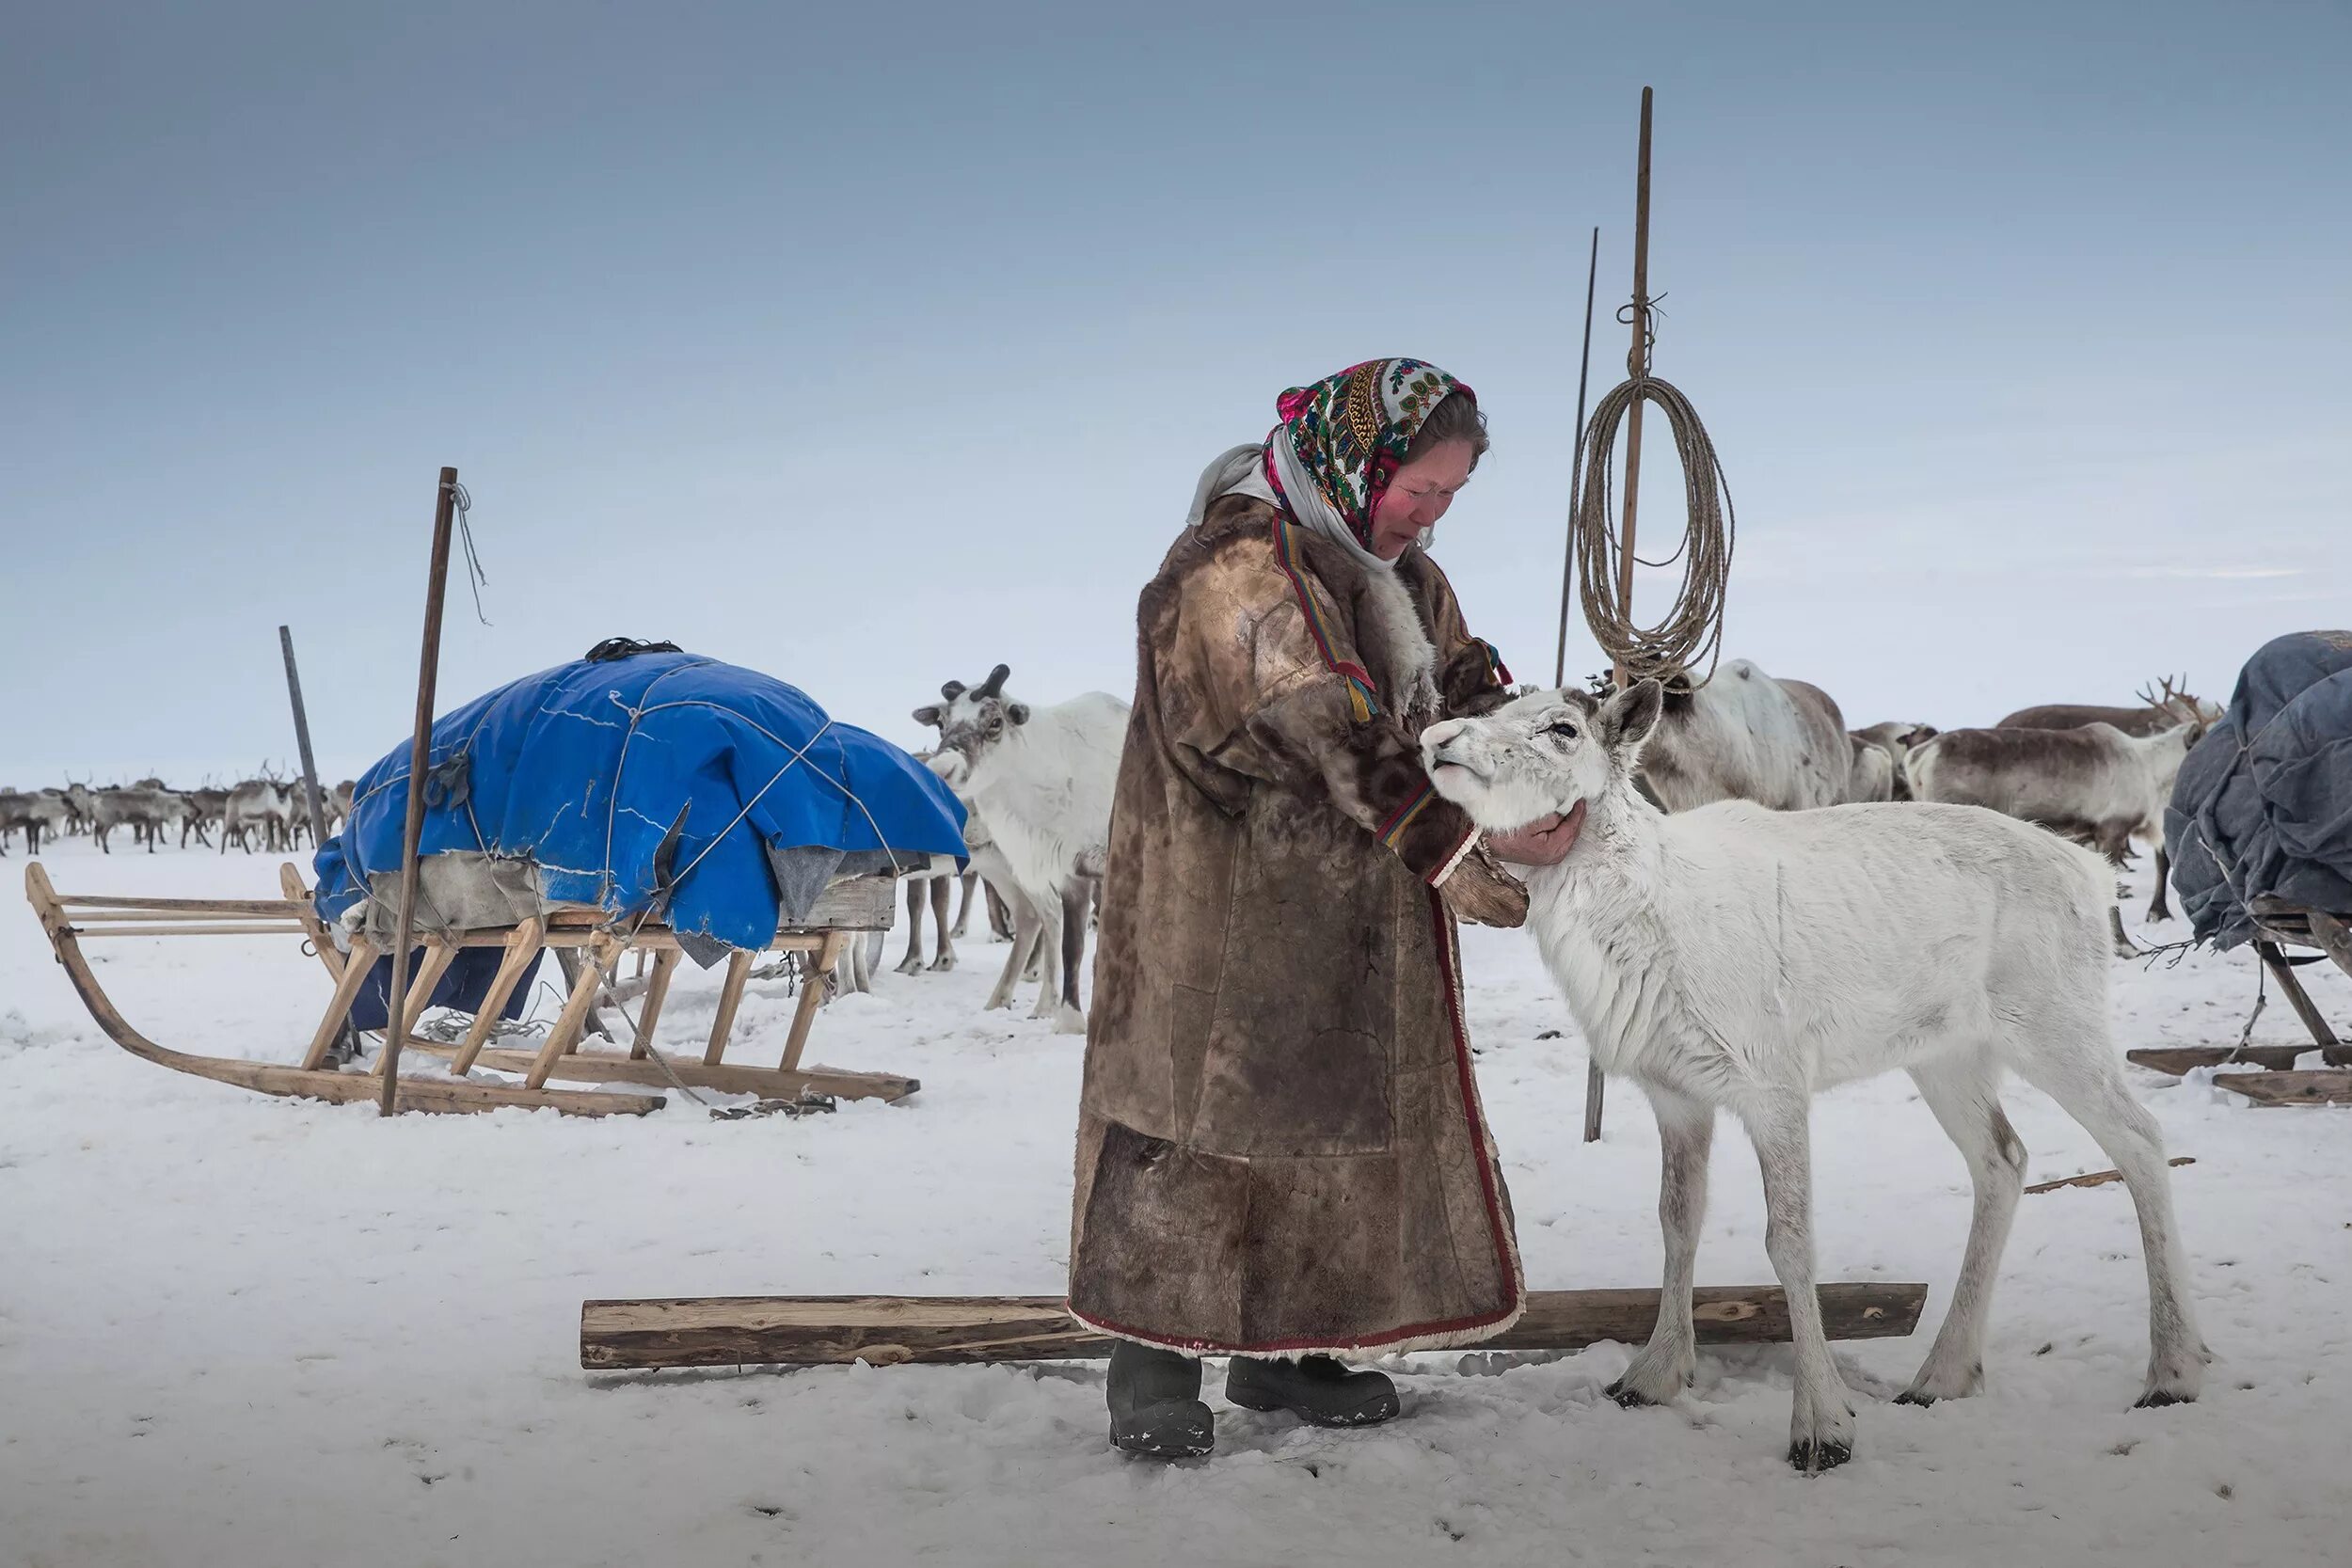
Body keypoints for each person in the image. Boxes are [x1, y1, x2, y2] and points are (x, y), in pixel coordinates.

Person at [1067, 358, 1578, 1458]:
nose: (1429, 514)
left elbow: (1464, 687)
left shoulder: (1398, 575)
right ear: (1359, 463)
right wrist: (1452, 844)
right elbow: (1317, 715)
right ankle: (1151, 1361)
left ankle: (1284, 1353)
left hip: (1349, 908)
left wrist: (1548, 748)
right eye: (1417, 488)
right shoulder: (1233, 563)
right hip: (1217, 901)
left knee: (1331, 1118)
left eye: (1449, 496)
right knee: (1198, 1122)